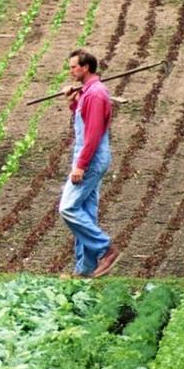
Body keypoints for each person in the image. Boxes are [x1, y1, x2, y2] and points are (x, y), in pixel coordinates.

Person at [59, 49, 121, 278]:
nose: (70, 71)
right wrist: (74, 100)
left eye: (73, 67)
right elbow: (83, 120)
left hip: (91, 157)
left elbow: (93, 134)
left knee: (68, 207)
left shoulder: (95, 94)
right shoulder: (89, 92)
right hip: (89, 156)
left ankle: (106, 249)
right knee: (85, 210)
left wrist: (81, 165)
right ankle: (85, 269)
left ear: (85, 68)